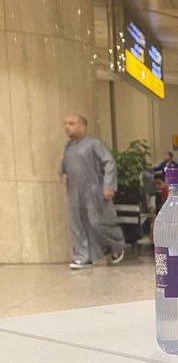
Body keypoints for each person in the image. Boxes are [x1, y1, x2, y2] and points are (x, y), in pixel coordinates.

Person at [60, 114, 125, 270]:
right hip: (74, 193)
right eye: (65, 123)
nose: (67, 126)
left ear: (82, 126)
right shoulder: (68, 147)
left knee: (98, 222)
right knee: (77, 225)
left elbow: (109, 162)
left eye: (71, 123)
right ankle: (82, 257)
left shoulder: (94, 144)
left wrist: (109, 186)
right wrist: (62, 173)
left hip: (94, 191)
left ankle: (116, 246)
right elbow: (64, 166)